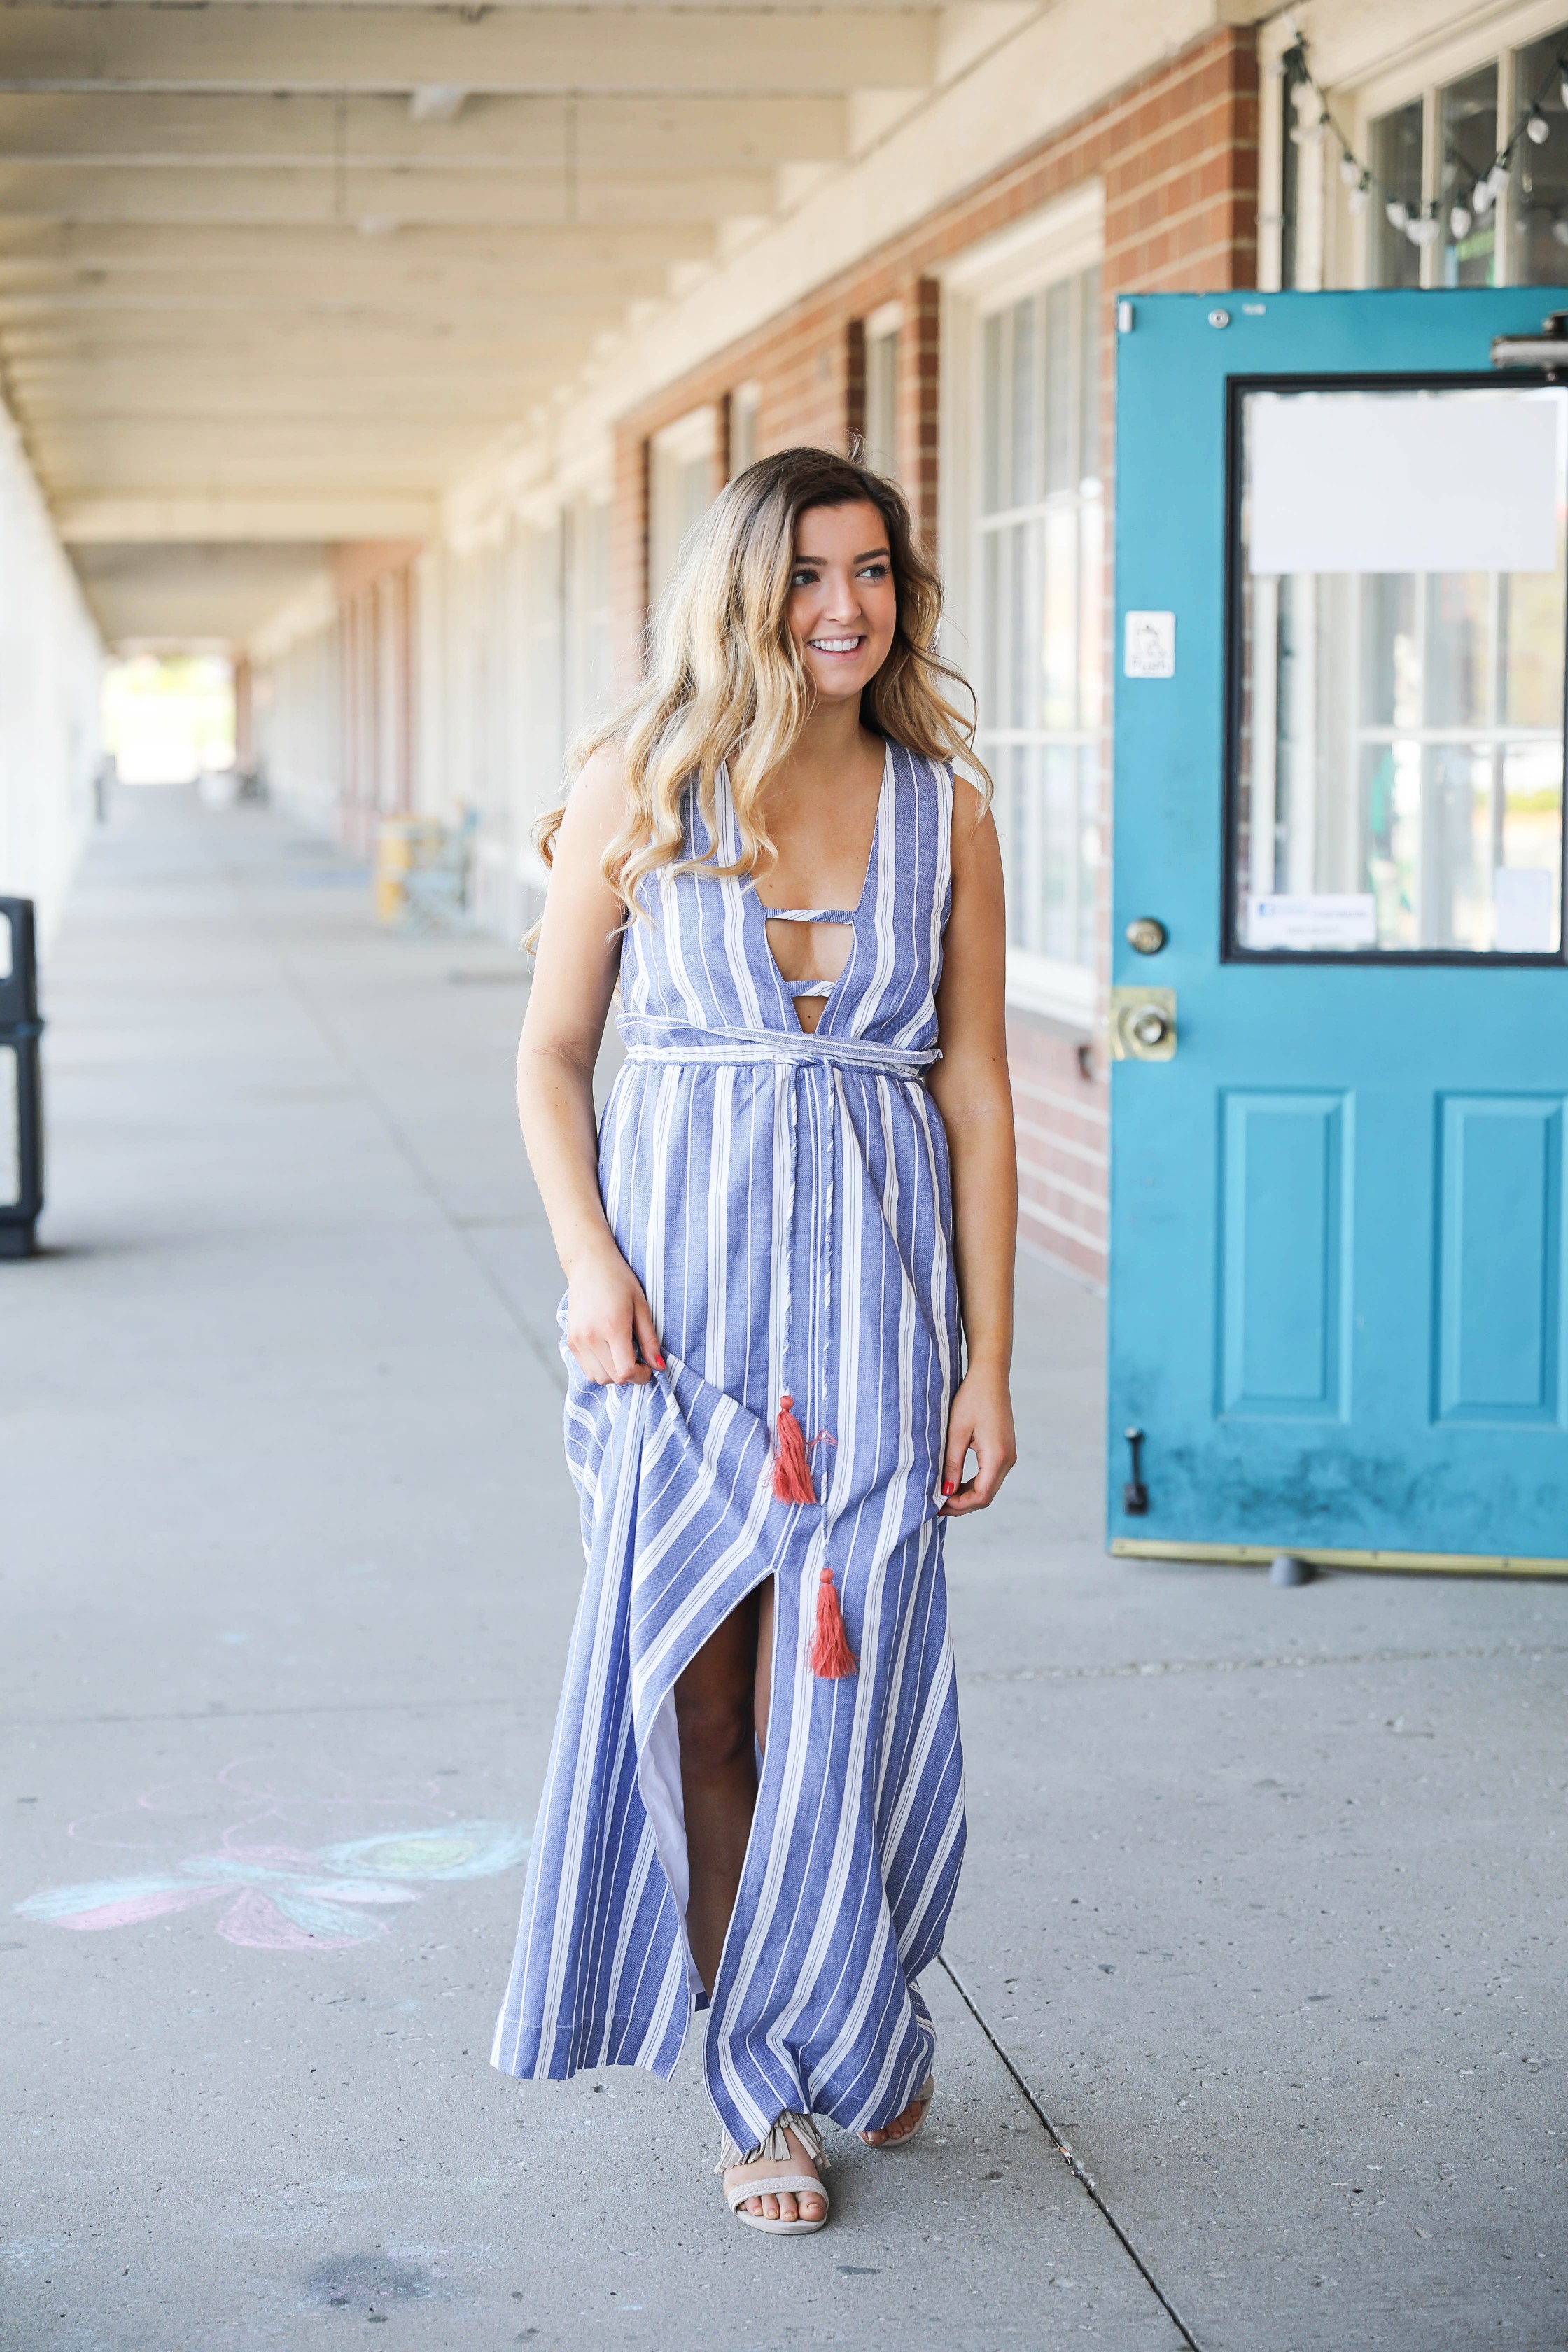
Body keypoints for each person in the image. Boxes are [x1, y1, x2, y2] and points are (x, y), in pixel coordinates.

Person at [491, 445, 1018, 2236]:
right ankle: (757, 2085)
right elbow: (552, 1057)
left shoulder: (946, 810)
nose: (847, 608)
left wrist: (991, 1362)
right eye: (807, 575)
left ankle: (849, 2008)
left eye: (871, 570)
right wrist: (585, 1268)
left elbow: (978, 1093)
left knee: (843, 1697)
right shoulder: (638, 782)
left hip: (874, 1321)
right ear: (743, 590)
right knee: (705, 1695)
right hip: (676, 1321)